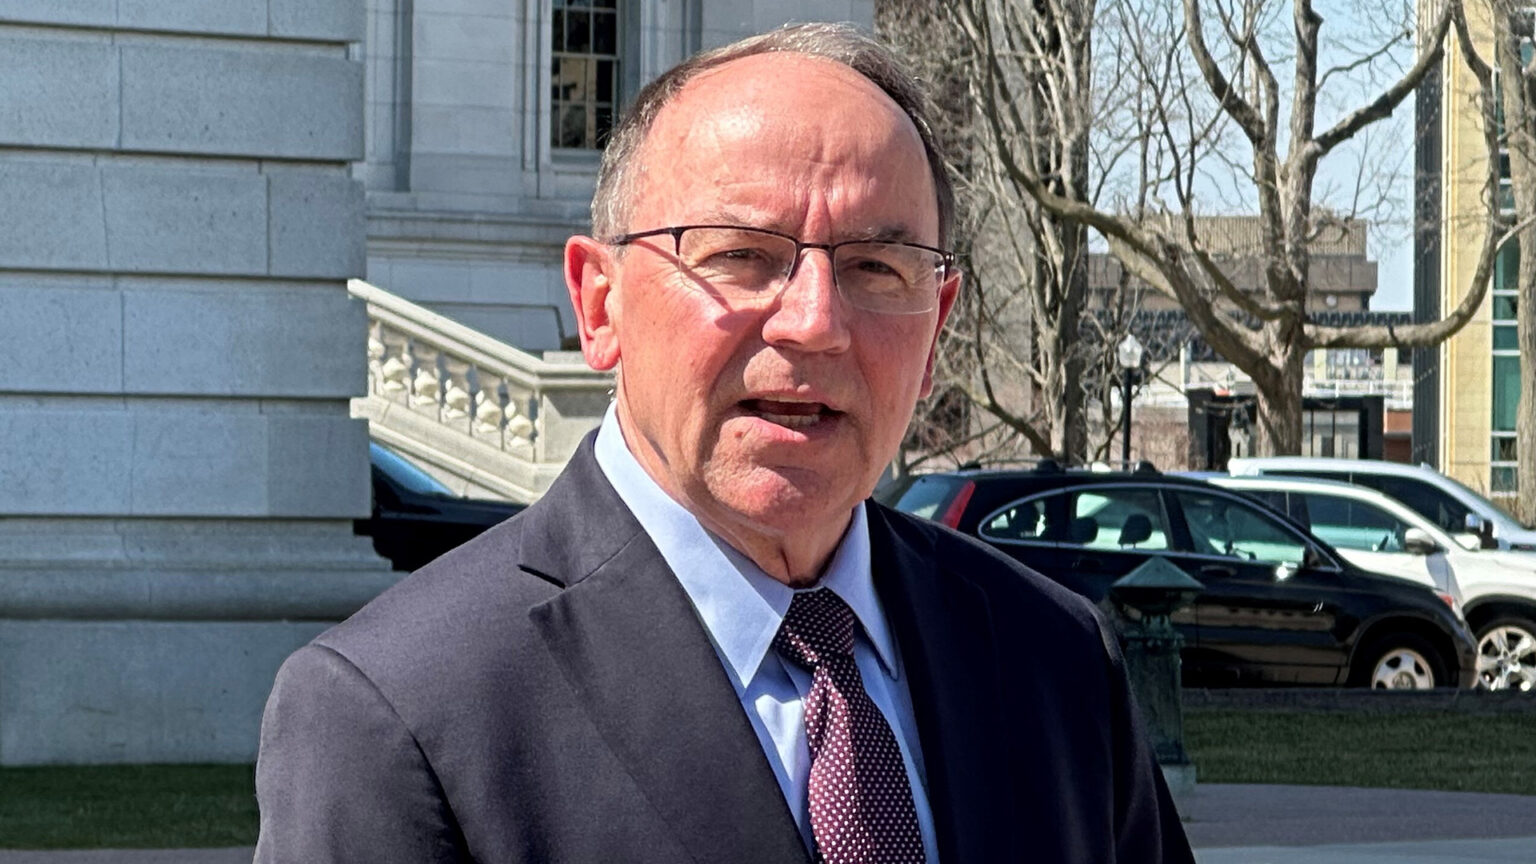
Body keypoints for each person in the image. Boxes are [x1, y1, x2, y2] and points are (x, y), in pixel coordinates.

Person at [253, 23, 1194, 864]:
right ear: (600, 304)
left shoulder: (1056, 659)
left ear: (938, 319)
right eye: (742, 255)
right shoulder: (401, 712)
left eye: (875, 265)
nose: (817, 323)